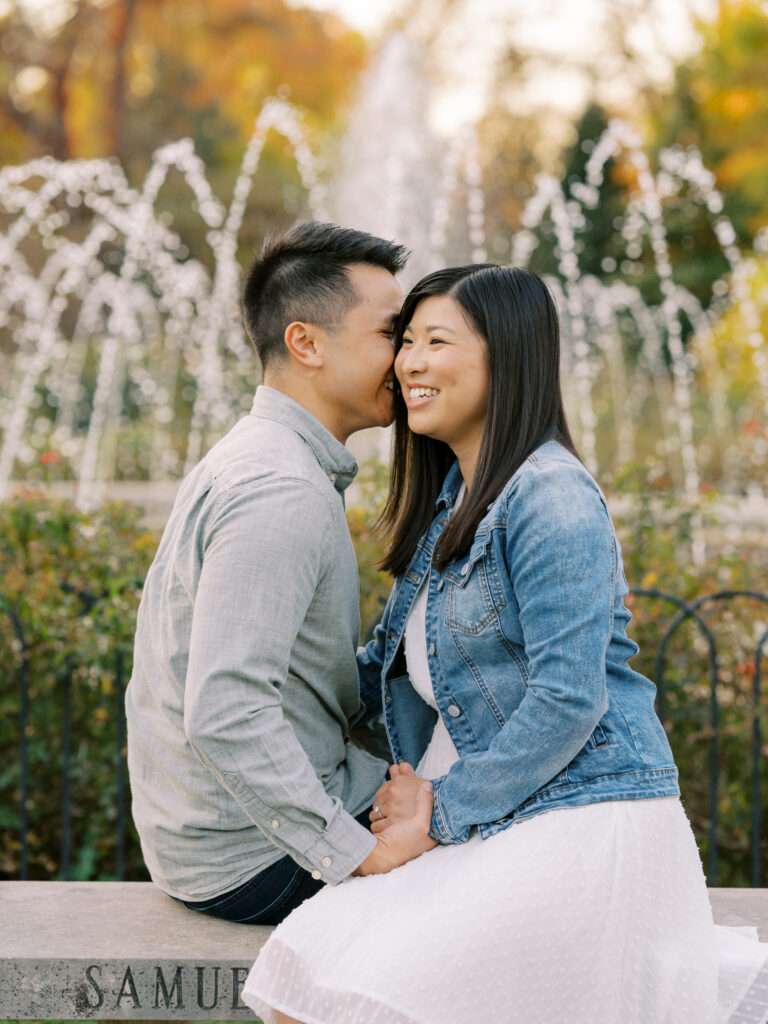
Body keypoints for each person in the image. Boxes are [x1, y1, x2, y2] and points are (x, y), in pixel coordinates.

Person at [242, 264, 768, 1024]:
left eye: (435, 342)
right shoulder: (453, 503)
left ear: (507, 356)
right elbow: (373, 680)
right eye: (406, 340)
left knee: (361, 990)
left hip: (582, 822)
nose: (409, 363)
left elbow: (568, 700)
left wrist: (439, 812)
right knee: (304, 970)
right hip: (499, 821)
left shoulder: (551, 496)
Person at [125, 221, 435, 925]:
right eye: (393, 333)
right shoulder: (280, 489)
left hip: (222, 842)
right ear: (306, 342)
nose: (410, 358)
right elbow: (225, 707)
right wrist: (356, 854)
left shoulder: (261, 457)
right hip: (255, 859)